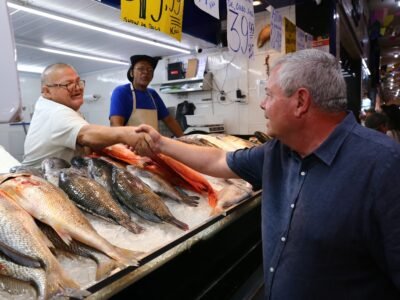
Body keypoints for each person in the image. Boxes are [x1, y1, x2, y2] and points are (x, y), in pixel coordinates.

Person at [136, 49, 400, 299]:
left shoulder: (384, 165)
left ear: (300, 101)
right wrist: (160, 144)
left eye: (269, 95)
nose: (262, 104)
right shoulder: (278, 152)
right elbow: (218, 159)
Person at [22, 63, 148, 168]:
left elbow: (87, 146)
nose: (77, 88)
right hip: (38, 187)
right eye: (68, 84)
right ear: (47, 91)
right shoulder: (55, 113)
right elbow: (86, 135)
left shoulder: (56, 106)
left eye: (78, 82)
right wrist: (128, 135)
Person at [109, 55, 183, 137]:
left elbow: (169, 120)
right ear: (131, 73)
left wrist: (184, 139)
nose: (146, 72)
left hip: (154, 145)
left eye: (150, 70)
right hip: (130, 147)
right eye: (141, 69)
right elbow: (115, 125)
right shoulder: (122, 92)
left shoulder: (153, 94)